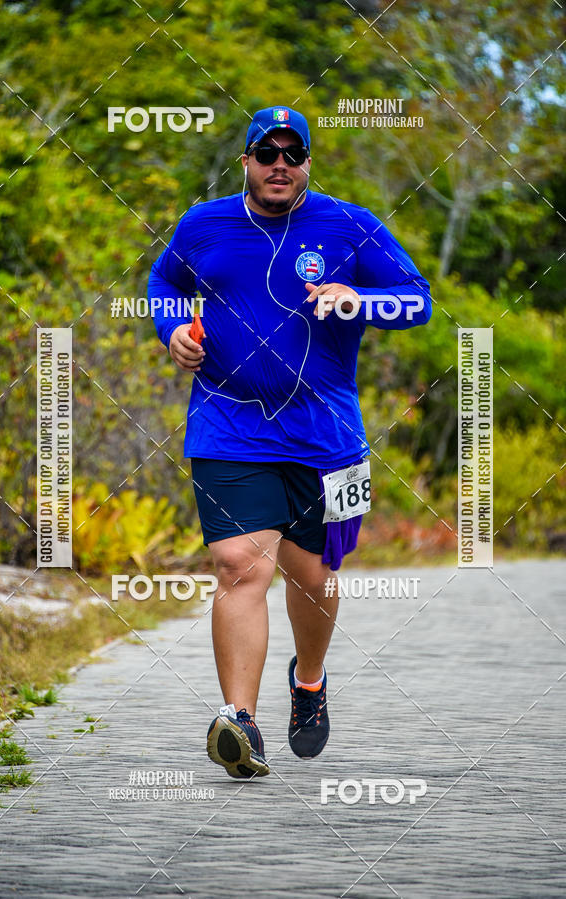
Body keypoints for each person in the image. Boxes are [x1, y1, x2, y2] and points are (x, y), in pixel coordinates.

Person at [148, 105, 431, 779]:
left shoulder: (350, 225)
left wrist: (361, 300)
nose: (279, 164)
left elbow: (416, 299)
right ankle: (239, 721)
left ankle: (308, 680)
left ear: (307, 162)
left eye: (291, 154)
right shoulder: (203, 224)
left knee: (312, 578)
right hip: (227, 425)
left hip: (326, 435)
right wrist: (174, 332)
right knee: (241, 564)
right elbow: (164, 284)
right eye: (265, 153)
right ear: (245, 160)